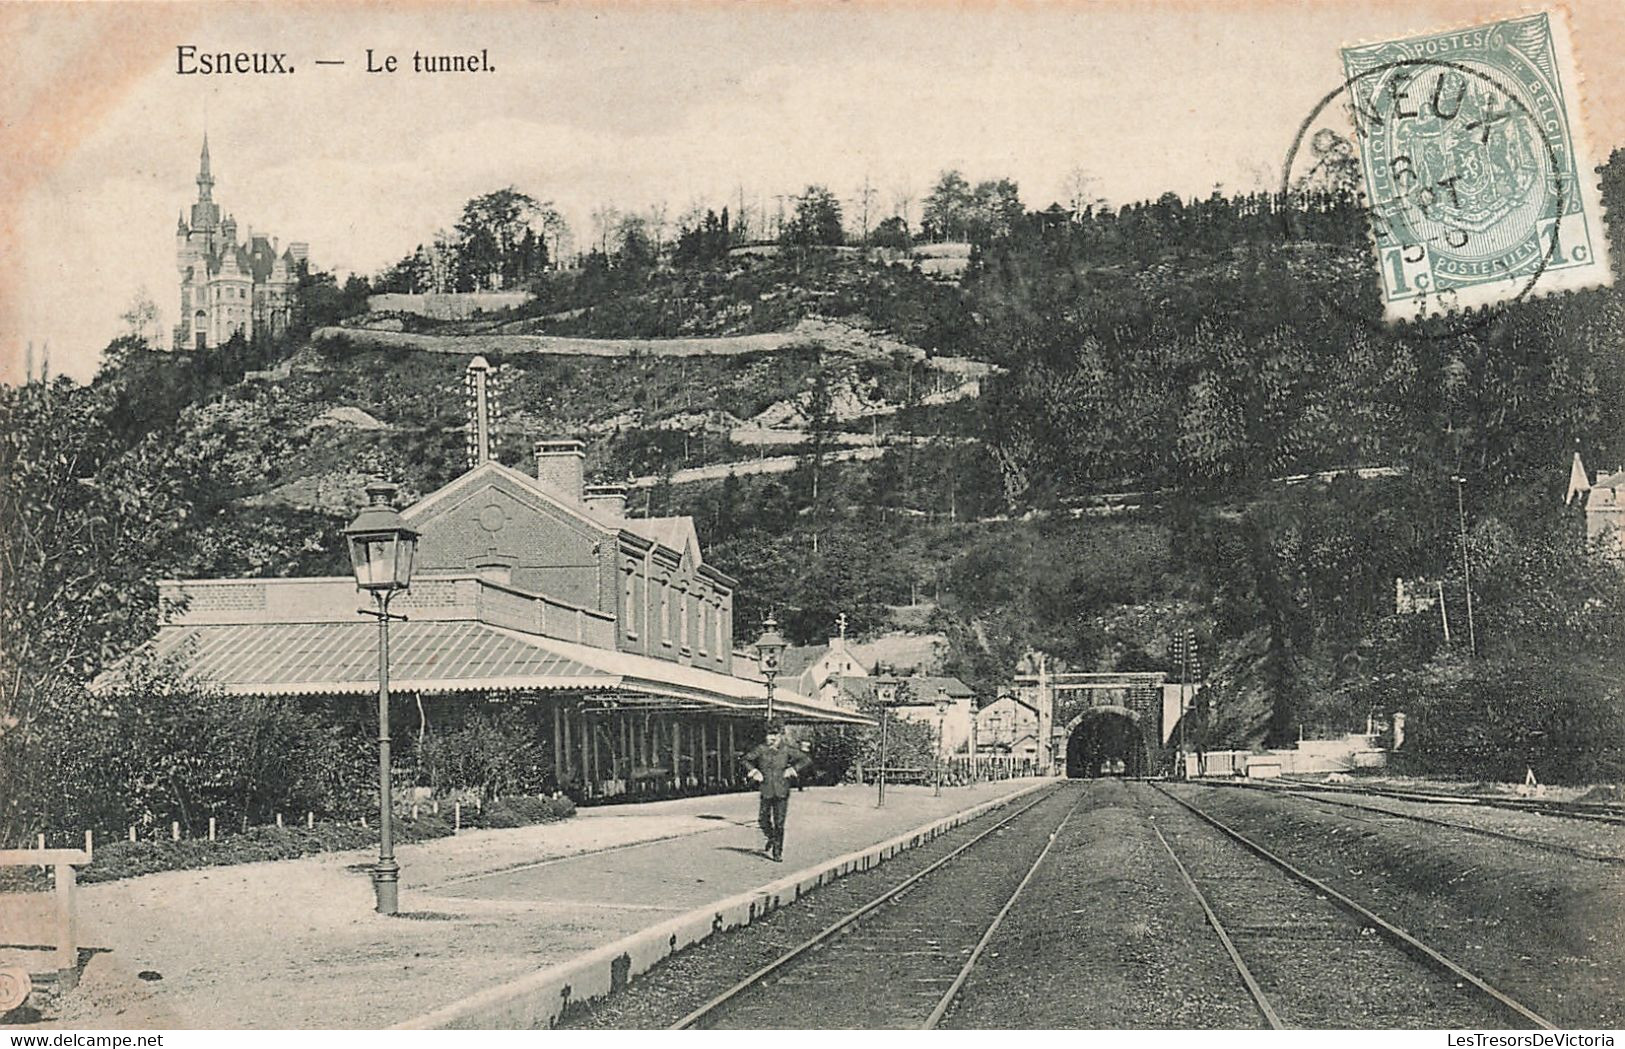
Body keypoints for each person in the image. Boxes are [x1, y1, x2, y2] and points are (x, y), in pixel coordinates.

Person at [740, 721, 813, 862]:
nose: (772, 738)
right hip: (766, 789)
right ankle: (772, 838)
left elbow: (805, 759)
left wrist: (793, 769)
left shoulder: (787, 750)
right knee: (763, 820)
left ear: (780, 736)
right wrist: (754, 771)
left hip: (782, 790)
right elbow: (744, 760)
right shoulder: (761, 749)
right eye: (769, 735)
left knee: (779, 823)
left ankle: (777, 852)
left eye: (776, 735)